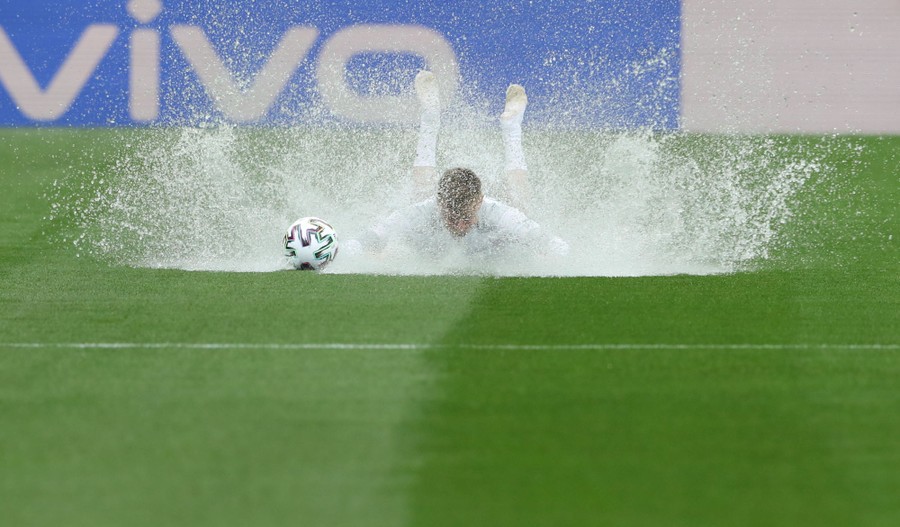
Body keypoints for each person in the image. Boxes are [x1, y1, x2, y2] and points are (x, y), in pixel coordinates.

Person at [345, 71, 569, 262]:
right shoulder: (423, 211)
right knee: (418, 195)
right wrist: (348, 250)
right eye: (451, 219)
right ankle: (430, 115)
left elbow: (550, 243)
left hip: (497, 240)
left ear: (479, 201)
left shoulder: (499, 214)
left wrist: (550, 252)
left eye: (466, 219)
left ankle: (512, 128)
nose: (460, 227)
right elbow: (371, 237)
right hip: (427, 214)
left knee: (520, 204)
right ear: (439, 203)